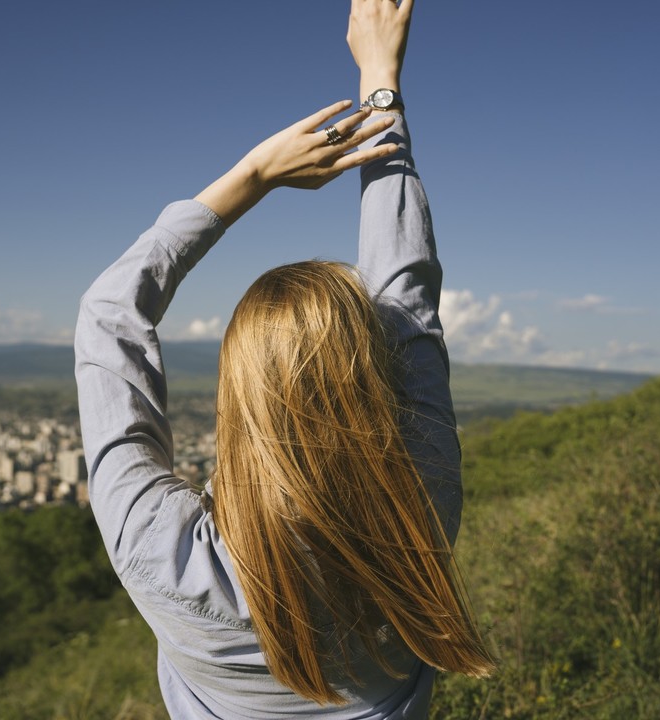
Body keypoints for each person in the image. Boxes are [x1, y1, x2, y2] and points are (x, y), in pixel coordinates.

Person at [74, 1, 494, 716]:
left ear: (235, 399)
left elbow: (110, 313)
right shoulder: (419, 509)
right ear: (372, 383)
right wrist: (380, 80)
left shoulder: (160, 548)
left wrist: (256, 173)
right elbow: (406, 281)